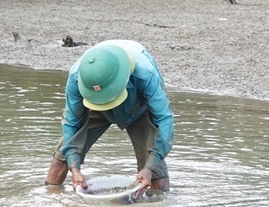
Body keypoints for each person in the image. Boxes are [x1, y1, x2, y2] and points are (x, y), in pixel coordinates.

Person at [45, 40, 173, 197]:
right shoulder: (77, 77)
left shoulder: (146, 74)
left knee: (155, 171)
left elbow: (165, 121)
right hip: (94, 106)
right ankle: (51, 200)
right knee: (62, 156)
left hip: (139, 107)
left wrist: (149, 168)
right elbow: (71, 122)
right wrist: (75, 169)